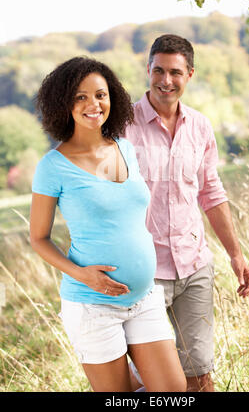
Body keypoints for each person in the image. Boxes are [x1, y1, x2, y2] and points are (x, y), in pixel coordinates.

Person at [29, 56, 187, 393]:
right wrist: (82, 273)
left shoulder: (126, 149)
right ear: (63, 103)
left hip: (144, 298)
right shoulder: (52, 166)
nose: (93, 104)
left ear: (111, 97)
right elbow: (38, 238)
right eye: (80, 97)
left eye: (100, 94)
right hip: (92, 305)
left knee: (173, 392)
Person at [124, 34, 249, 392]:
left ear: (190, 75)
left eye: (176, 72)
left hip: (194, 265)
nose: (166, 80)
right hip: (144, 273)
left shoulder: (200, 126)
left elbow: (211, 193)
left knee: (199, 376)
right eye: (159, 70)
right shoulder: (121, 125)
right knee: (155, 381)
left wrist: (235, 254)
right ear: (147, 70)